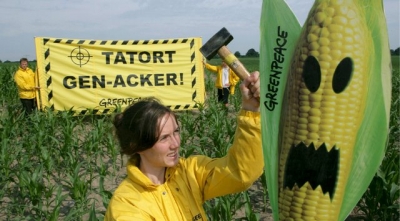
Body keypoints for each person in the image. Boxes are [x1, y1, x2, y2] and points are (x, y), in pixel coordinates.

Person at [104, 71, 263, 221]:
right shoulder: (126, 205)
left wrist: (251, 110)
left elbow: (240, 172)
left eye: (176, 131)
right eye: (164, 138)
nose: (176, 143)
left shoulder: (189, 173)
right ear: (137, 145)